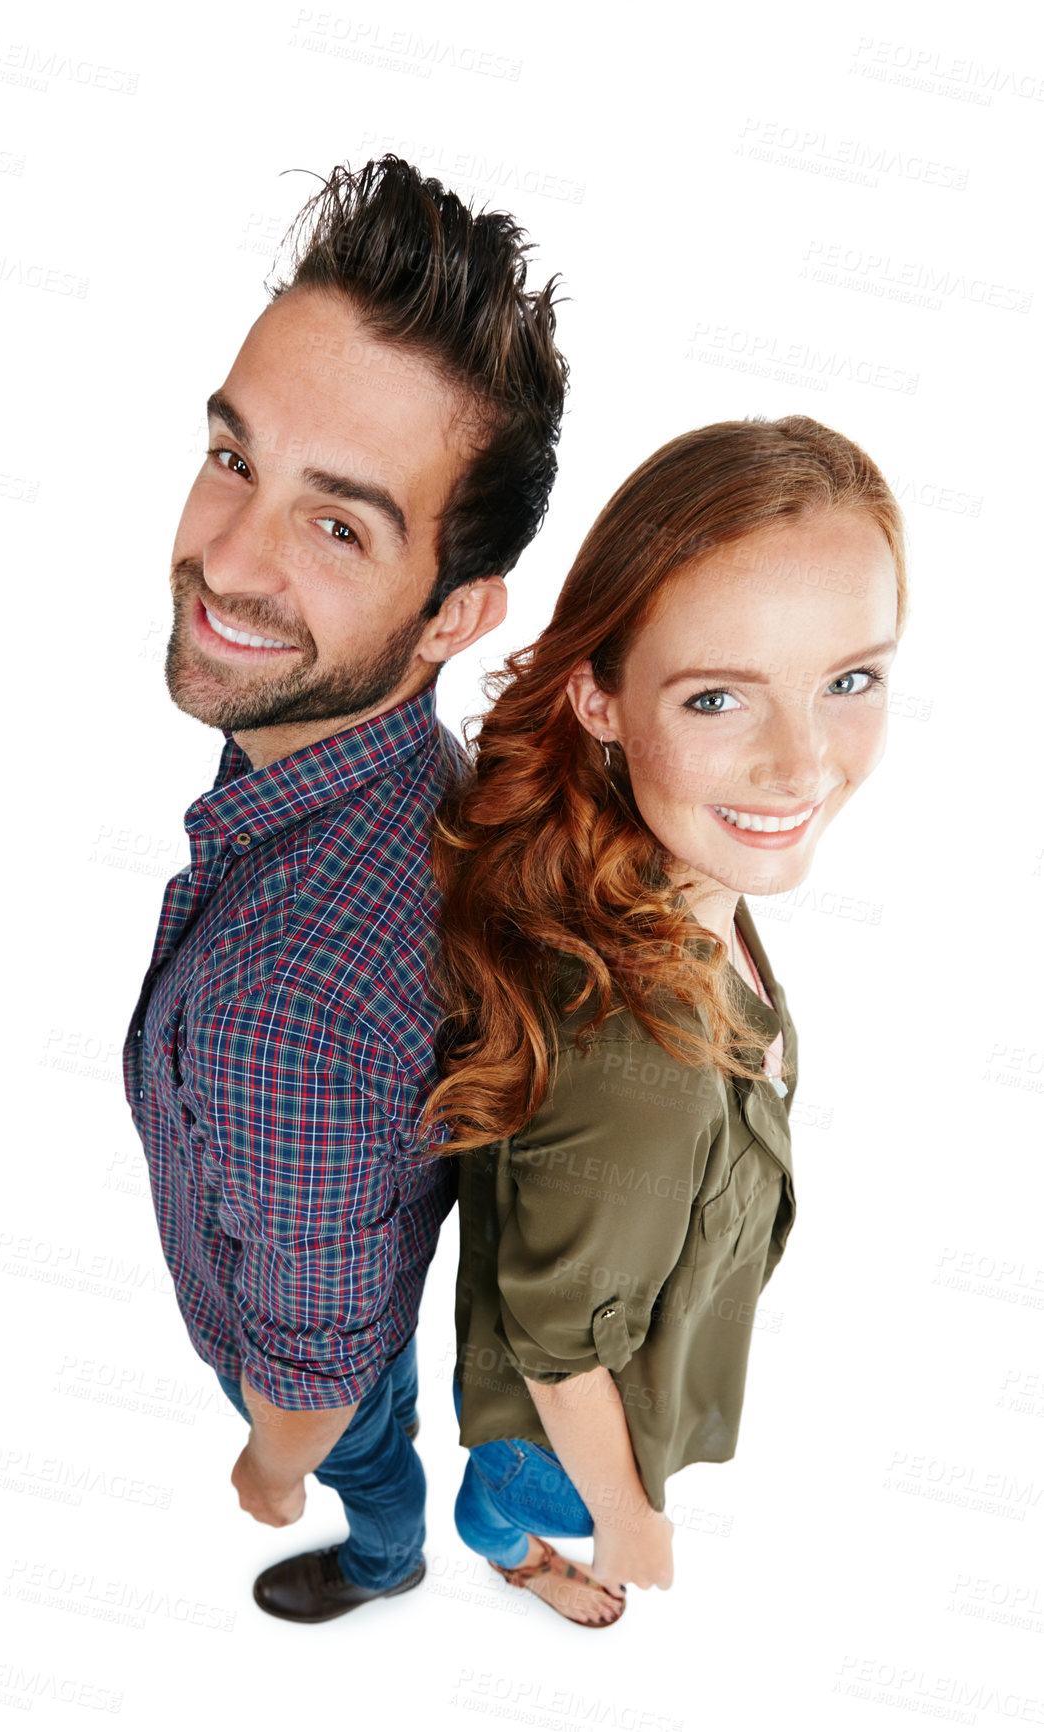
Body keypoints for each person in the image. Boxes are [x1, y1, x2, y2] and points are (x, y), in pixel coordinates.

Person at [122, 156, 568, 1623]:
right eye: (235, 458)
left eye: (339, 525)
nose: (226, 559)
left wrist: (269, 1465)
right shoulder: (406, 763)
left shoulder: (281, 1007)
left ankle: (385, 1552)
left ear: (455, 614)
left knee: (362, 1449)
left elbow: (312, 1352)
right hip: (379, 1248)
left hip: (330, 1363)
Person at [425, 416, 906, 1626]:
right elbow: (551, 1343)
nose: (800, 764)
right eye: (714, 699)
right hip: (569, 1434)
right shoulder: (632, 1057)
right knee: (513, 1488)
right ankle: (504, 1545)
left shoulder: (683, 885)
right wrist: (628, 1519)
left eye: (847, 679)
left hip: (634, 1345)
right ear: (595, 695)